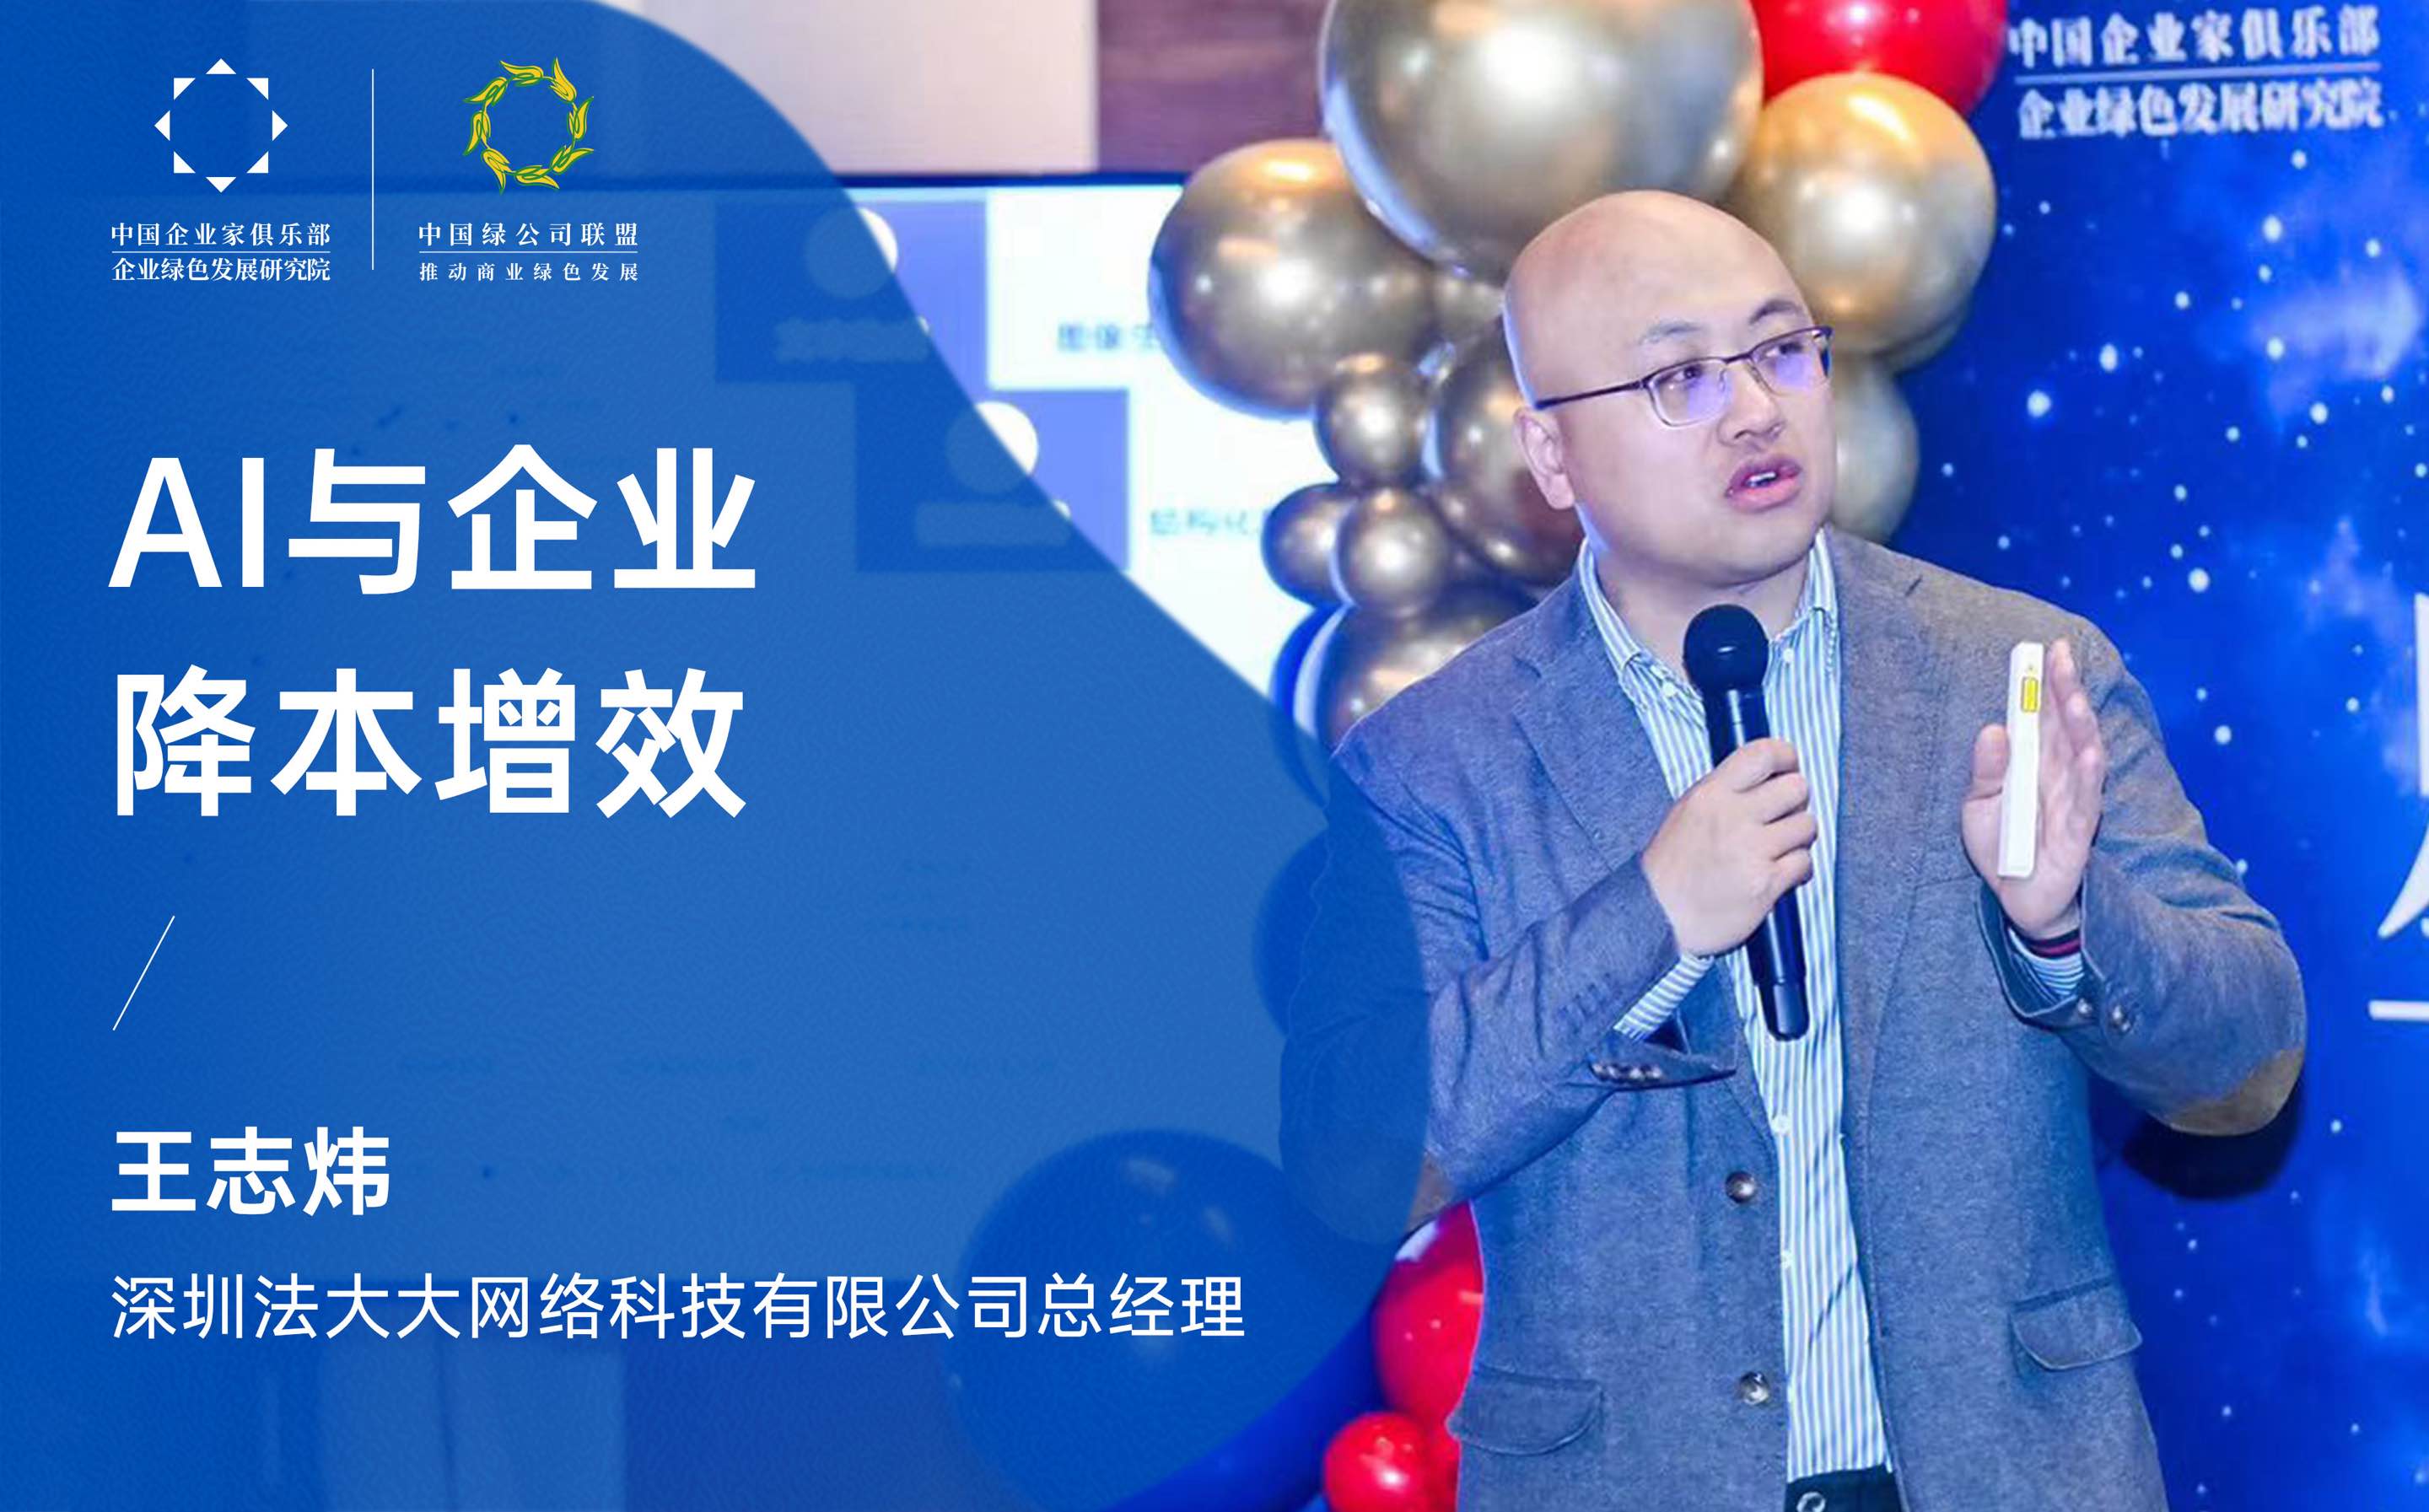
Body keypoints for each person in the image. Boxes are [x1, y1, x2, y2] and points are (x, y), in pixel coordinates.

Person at [1278, 190, 2306, 1512]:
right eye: (1681, 378)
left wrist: (2069, 925)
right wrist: (1647, 919)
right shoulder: (1432, 760)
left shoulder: (2017, 672)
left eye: (1781, 351)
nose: (1757, 410)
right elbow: (1351, 1160)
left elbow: (2253, 1063)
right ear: (1551, 453)